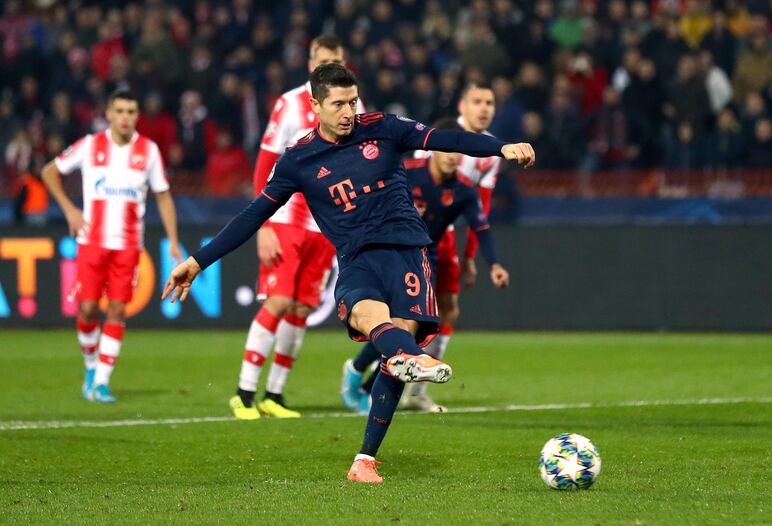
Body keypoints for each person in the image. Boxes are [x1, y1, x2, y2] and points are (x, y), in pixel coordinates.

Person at [162, 64, 534, 483]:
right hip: (357, 259)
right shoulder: (298, 160)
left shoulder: (383, 128)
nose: (348, 112)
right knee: (369, 319)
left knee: (394, 350)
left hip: (409, 254)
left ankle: (364, 459)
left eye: (352, 101)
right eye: (338, 103)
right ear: (315, 104)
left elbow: (444, 138)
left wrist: (501, 147)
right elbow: (252, 217)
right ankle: (410, 358)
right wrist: (197, 262)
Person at [229, 34, 365, 420]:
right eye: (322, 60)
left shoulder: (355, 107)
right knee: (279, 301)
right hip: (286, 217)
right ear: (310, 64)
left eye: (335, 59)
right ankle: (243, 393)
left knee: (303, 307)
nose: (328, 66)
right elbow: (263, 165)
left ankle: (274, 395)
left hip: (325, 225)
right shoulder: (289, 104)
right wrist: (264, 224)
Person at [341, 117, 511, 415]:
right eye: (445, 151)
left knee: (412, 324)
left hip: (424, 256)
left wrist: (494, 263)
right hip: (390, 251)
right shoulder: (407, 173)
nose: (450, 157)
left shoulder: (463, 190)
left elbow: (480, 228)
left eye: (455, 153)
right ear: (433, 151)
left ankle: (367, 380)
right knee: (396, 320)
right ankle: (360, 374)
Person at [41, 89, 180, 403]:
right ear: (109, 114)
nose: (126, 117)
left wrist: (172, 240)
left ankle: (102, 381)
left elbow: (163, 195)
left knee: (117, 309)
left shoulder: (149, 151)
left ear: (137, 116)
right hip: (92, 242)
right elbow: (49, 171)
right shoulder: (90, 146)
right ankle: (91, 365)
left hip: (128, 246)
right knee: (88, 308)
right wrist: (70, 209)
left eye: (131, 111)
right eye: (120, 111)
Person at [403, 82, 503, 412]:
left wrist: (471, 257)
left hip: (445, 232)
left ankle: (417, 391)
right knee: (411, 314)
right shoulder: (440, 136)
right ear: (462, 106)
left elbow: (481, 212)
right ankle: (364, 371)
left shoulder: (490, 151)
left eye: (490, 102)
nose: (484, 108)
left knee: (448, 308)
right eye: (477, 101)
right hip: (416, 233)